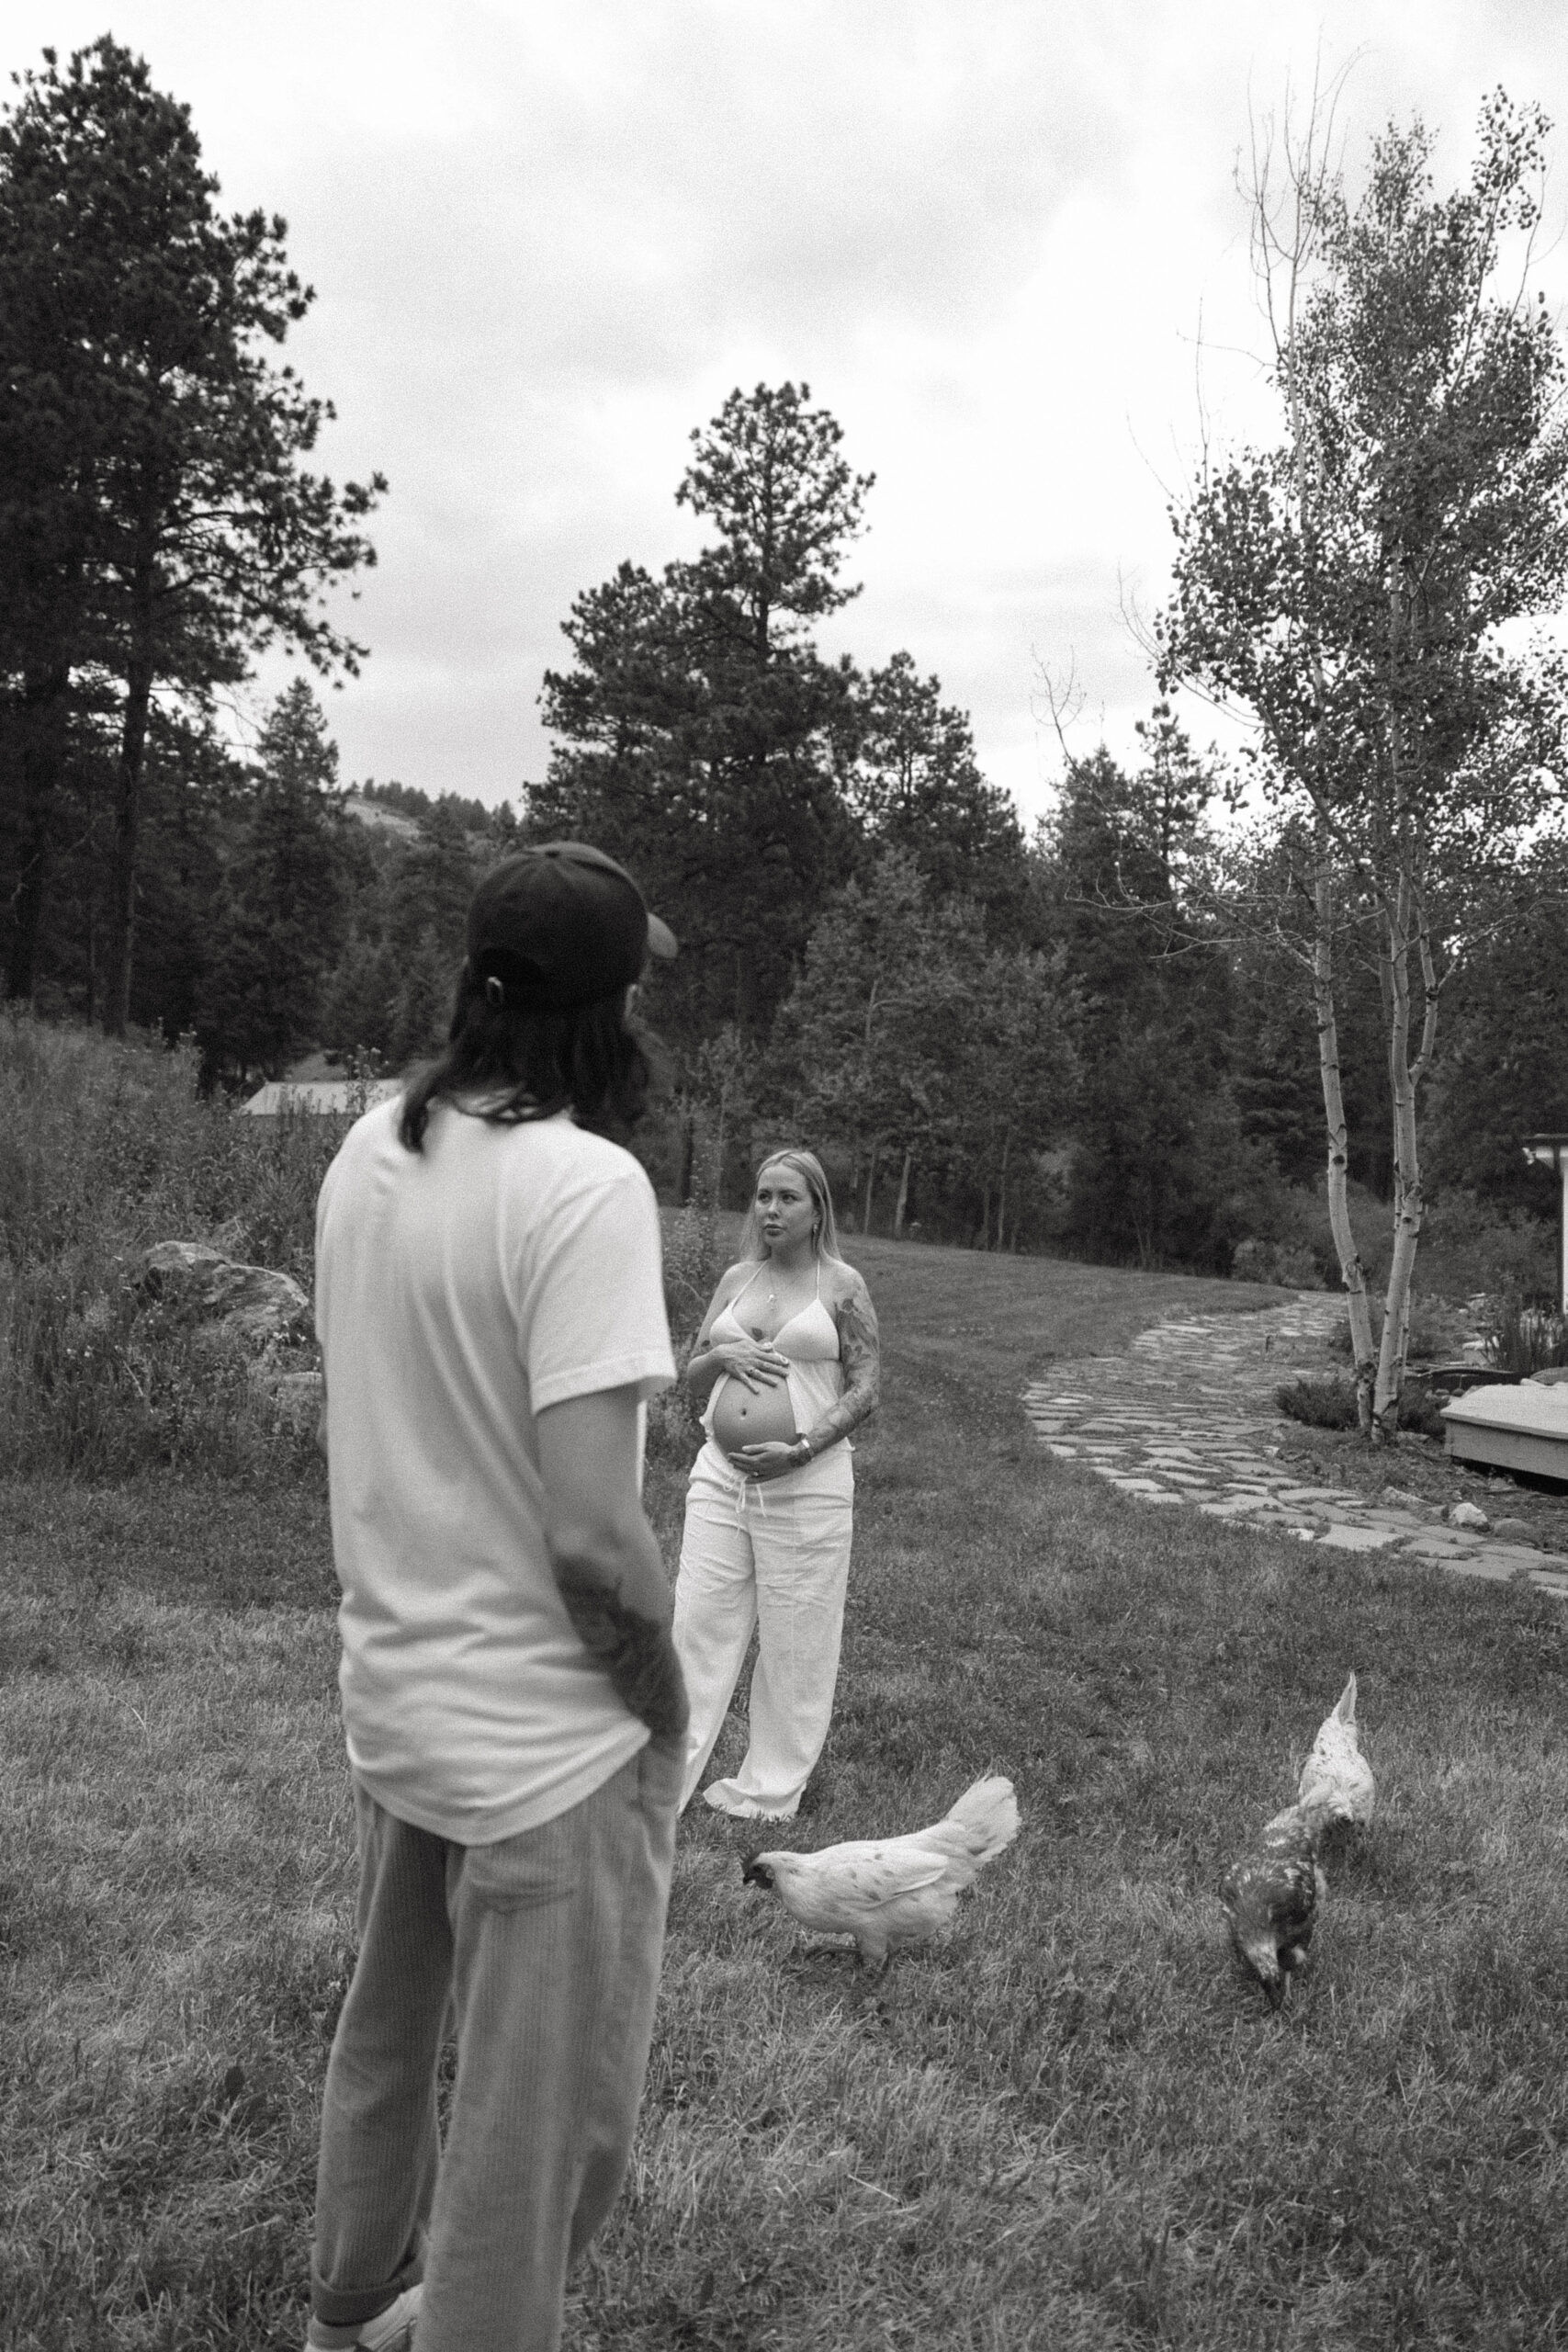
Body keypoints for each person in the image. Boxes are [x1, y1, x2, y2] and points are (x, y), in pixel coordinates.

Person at [307, 842, 688, 2352]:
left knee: (387, 2042)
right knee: (536, 2132)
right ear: (613, 1015)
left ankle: (348, 2316)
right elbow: (594, 1537)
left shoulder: (367, 1152)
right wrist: (657, 1703)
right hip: (543, 1746)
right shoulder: (588, 1189)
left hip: (396, 1707)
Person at [671, 1149, 880, 1821]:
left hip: (807, 1483)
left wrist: (802, 1447)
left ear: (817, 1209)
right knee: (696, 1626)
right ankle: (663, 1780)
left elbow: (867, 1384)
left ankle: (767, 1793)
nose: (770, 1209)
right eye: (762, 1196)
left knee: (797, 1642)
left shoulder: (841, 1285)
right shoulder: (737, 1276)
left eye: (787, 1198)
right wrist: (719, 1354)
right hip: (718, 1477)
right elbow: (690, 1372)